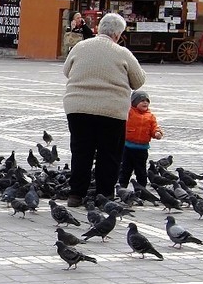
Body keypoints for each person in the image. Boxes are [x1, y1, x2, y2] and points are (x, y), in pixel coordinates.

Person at [63, 12, 146, 207]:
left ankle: (76, 195)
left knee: (81, 151)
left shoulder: (80, 47)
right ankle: (105, 194)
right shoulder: (122, 52)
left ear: (98, 29)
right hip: (112, 111)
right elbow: (139, 81)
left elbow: (67, 71)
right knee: (109, 154)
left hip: (78, 108)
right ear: (117, 34)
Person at [118, 90, 163, 188]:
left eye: (147, 101)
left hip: (142, 149)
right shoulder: (129, 112)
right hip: (127, 147)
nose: (145, 102)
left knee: (141, 170)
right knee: (125, 169)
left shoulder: (150, 116)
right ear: (134, 102)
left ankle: (142, 188)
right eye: (141, 100)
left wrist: (157, 133)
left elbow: (154, 127)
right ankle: (122, 187)